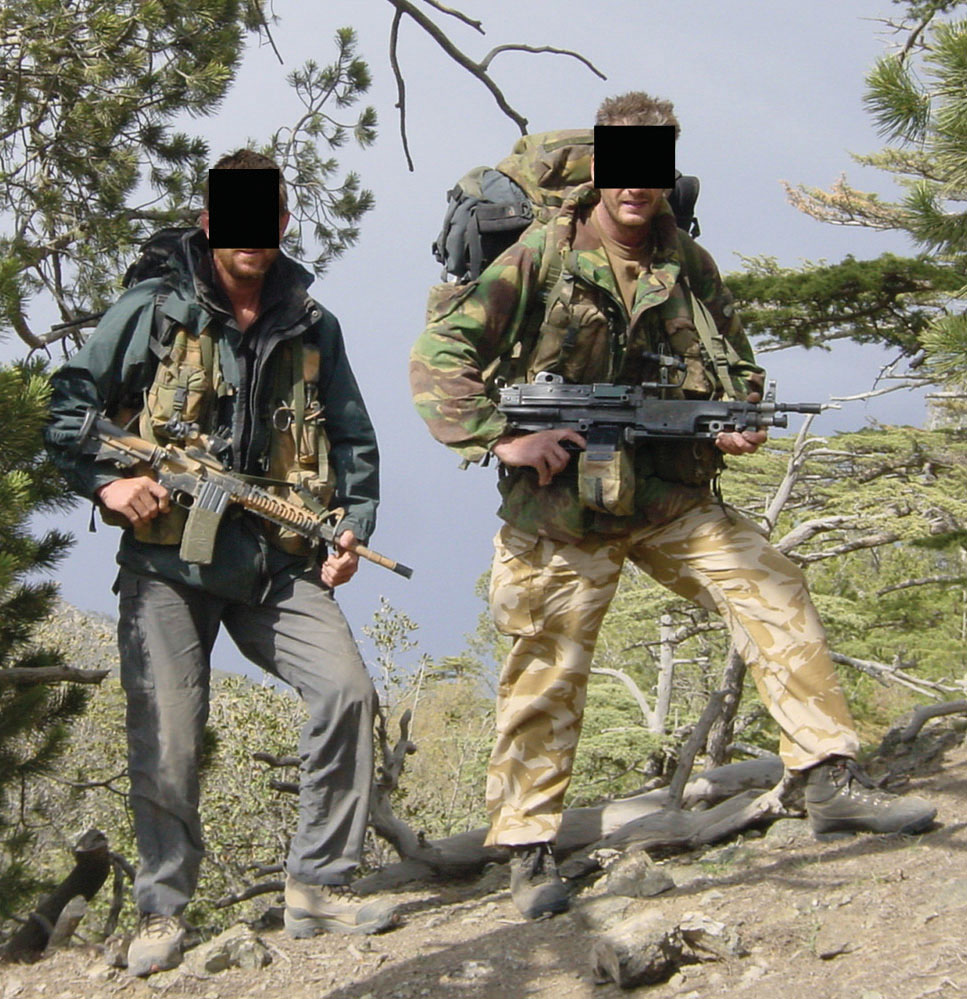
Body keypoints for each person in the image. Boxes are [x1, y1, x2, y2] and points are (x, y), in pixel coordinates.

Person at [410, 93, 936, 921]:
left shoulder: (685, 261)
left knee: (772, 585)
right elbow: (442, 353)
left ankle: (826, 775)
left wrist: (736, 421)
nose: (636, 188)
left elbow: (737, 364)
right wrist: (497, 436)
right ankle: (525, 847)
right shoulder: (542, 255)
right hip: (558, 511)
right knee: (543, 673)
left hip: (665, 498)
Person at [45, 150, 397, 976]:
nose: (248, 234)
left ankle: (318, 884)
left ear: (280, 223)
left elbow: (351, 441)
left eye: (263, 217)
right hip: (169, 565)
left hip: (276, 561)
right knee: (167, 733)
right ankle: (163, 910)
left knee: (345, 692)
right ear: (209, 222)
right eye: (230, 217)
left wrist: (348, 529)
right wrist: (107, 485)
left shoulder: (314, 324)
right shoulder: (152, 310)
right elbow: (69, 411)